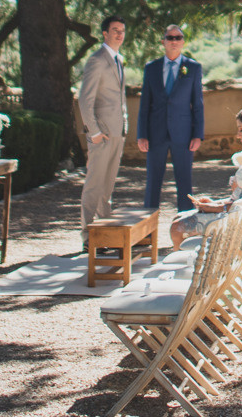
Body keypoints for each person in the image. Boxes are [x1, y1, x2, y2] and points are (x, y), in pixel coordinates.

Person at [171, 105, 242, 246]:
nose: (238, 135)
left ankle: (187, 259)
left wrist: (213, 208)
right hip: (237, 214)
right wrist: (214, 203)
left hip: (239, 222)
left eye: (241, 129)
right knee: (178, 217)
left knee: (176, 228)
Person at [136, 25, 204, 211]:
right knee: (153, 181)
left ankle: (185, 223)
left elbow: (198, 104)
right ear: (163, 41)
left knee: (185, 182)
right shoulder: (151, 68)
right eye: (170, 37)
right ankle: (148, 225)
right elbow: (144, 104)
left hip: (183, 134)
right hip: (155, 133)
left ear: (183, 42)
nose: (174, 41)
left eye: (178, 37)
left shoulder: (193, 68)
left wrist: (198, 135)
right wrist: (142, 135)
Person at [77, 17, 130, 247]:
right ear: (105, 33)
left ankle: (105, 233)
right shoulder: (97, 60)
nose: (119, 34)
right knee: (94, 185)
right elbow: (84, 100)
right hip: (102, 133)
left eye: (122, 31)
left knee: (107, 187)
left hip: (118, 131)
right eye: (115, 30)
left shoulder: (118, 59)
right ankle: (87, 236)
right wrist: (94, 132)